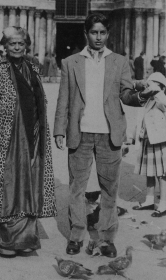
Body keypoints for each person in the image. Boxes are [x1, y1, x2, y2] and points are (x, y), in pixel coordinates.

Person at [54, 13, 157, 257]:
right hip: (80, 133)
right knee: (77, 188)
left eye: (102, 33)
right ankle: (76, 235)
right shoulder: (71, 62)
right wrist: (59, 130)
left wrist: (141, 95)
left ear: (107, 34)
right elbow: (63, 100)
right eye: (94, 32)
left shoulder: (119, 61)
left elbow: (126, 94)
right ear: (86, 34)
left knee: (110, 189)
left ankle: (107, 238)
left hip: (110, 133)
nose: (98, 37)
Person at [0, 26, 57, 256]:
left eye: (21, 43)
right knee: (6, 187)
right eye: (12, 43)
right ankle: (2, 241)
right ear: (4, 46)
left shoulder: (33, 68)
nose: (17, 47)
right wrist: (4, 132)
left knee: (28, 185)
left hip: (32, 137)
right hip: (5, 141)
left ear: (27, 45)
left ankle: (25, 239)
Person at [130, 72, 166, 217]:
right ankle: (149, 200)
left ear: (160, 86)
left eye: (151, 84)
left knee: (162, 173)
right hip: (147, 139)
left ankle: (163, 203)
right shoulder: (148, 99)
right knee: (150, 172)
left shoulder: (161, 98)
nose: (148, 86)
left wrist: (158, 93)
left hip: (159, 140)